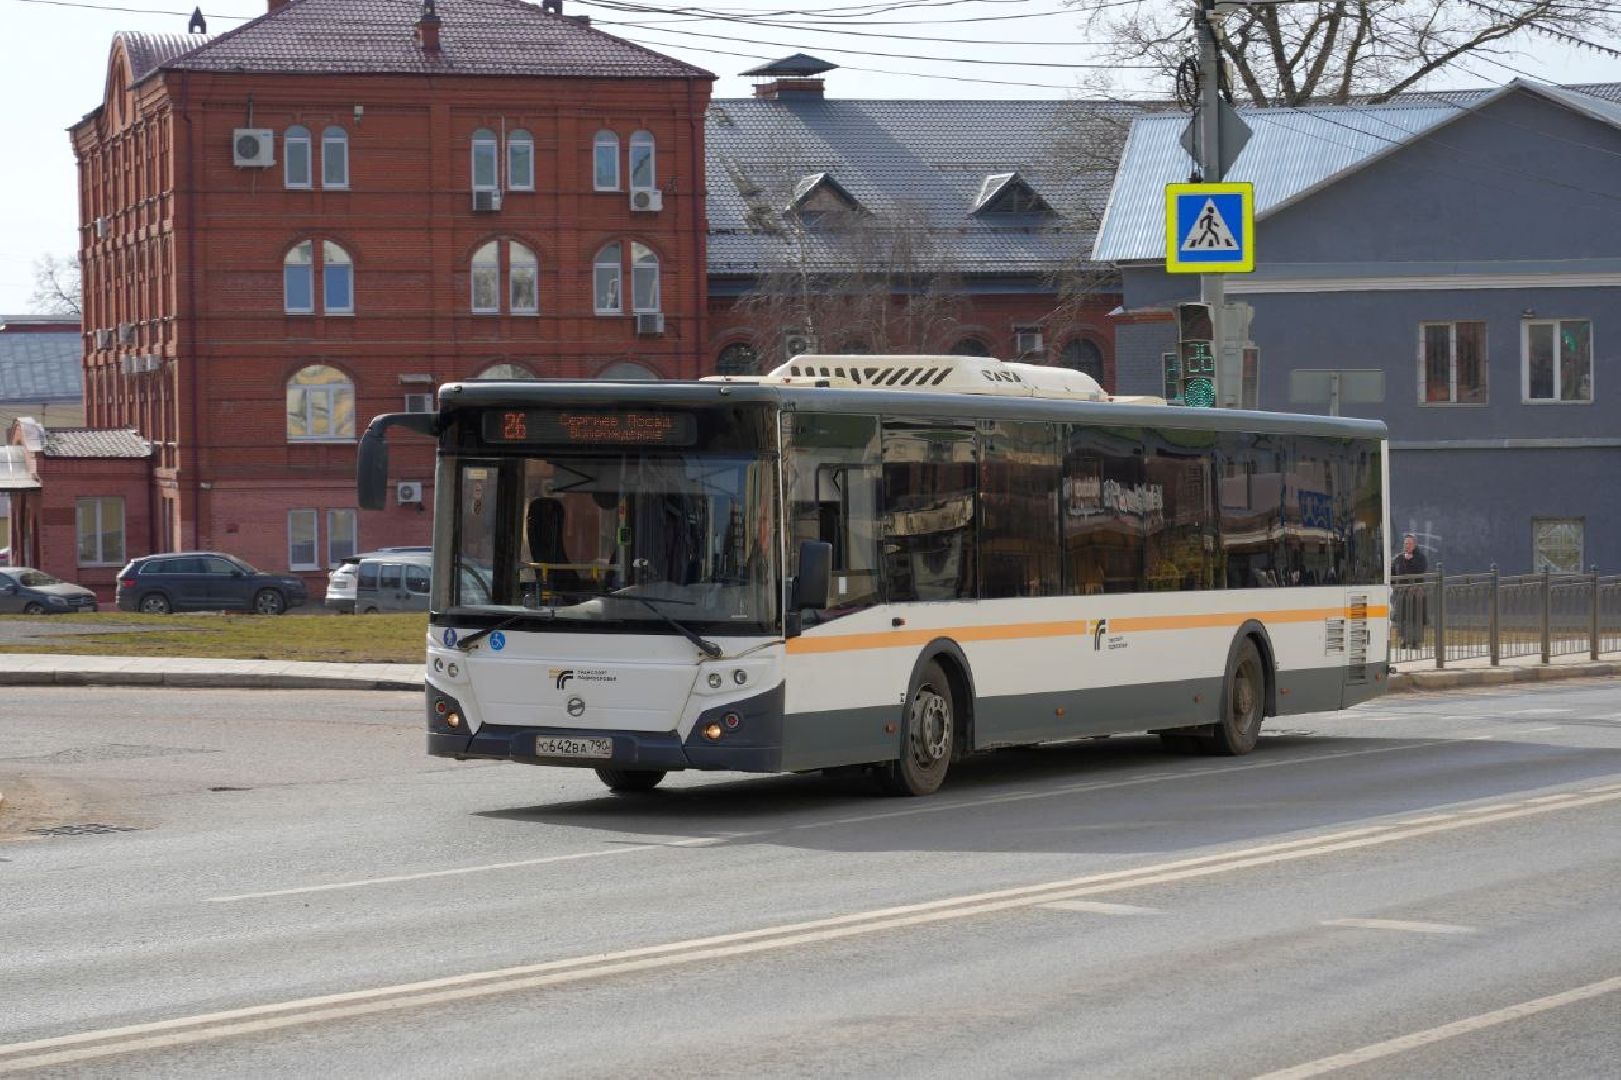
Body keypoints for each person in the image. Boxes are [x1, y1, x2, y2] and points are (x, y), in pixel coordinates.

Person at [1390, 534, 1429, 649]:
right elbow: (1392, 574)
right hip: (1401, 594)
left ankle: (1416, 641)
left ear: (1414, 545)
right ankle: (1404, 640)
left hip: (1416, 593)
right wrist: (1395, 587)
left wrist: (1411, 561)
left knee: (1416, 617)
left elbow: (1421, 570)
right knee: (1402, 618)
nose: (1407, 546)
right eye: (1406, 543)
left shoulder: (1420, 557)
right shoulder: (1398, 558)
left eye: (1410, 543)